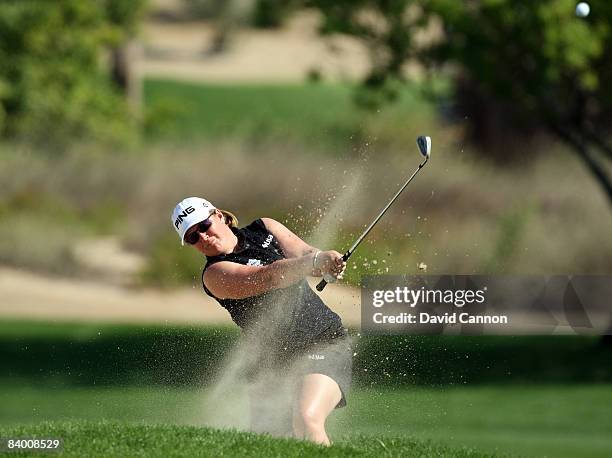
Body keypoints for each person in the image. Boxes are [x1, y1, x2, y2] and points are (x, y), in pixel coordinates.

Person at [171, 197, 352, 446]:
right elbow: (269, 277)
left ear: (219, 216)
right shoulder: (214, 274)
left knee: (306, 418)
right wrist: (312, 263)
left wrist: (325, 262)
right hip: (270, 361)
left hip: (322, 341)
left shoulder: (264, 227)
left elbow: (305, 254)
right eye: (192, 237)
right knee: (271, 441)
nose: (203, 237)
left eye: (204, 226)